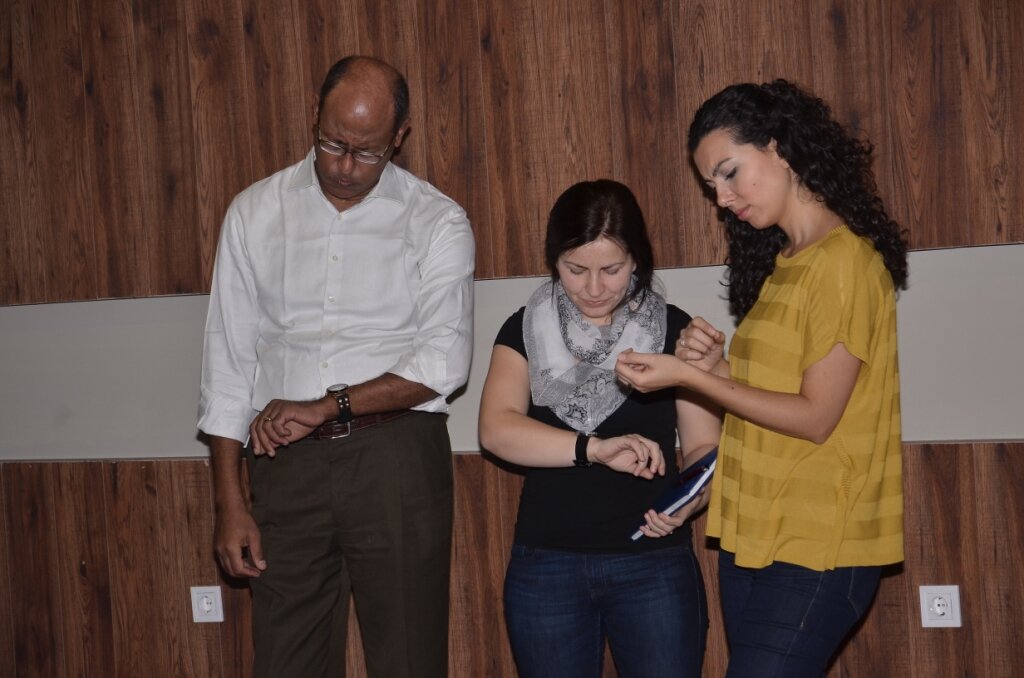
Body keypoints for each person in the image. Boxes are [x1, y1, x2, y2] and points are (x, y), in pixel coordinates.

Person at [615, 80, 907, 677]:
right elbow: (768, 400)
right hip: (755, 533)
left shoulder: (844, 263)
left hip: (820, 541)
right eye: (712, 187)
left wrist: (688, 377)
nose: (723, 199)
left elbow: (815, 417)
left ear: (778, 147)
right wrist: (711, 367)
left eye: (730, 173)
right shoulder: (786, 264)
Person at [198, 55, 475, 678]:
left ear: (399, 137)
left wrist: (327, 405)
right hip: (284, 466)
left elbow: (443, 362)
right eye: (332, 143)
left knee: (408, 658)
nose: (345, 166)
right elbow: (226, 364)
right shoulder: (253, 212)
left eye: (367, 151)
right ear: (315, 116)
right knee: (285, 660)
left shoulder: (437, 220)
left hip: (396, 457)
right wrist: (229, 502)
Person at [478, 179, 720, 677]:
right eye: (575, 269)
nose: (593, 288)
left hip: (654, 561)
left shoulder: (674, 331)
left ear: (637, 262)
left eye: (611, 270)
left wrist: (690, 503)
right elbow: (497, 429)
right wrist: (594, 448)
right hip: (546, 563)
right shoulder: (524, 329)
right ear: (554, 261)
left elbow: (703, 445)